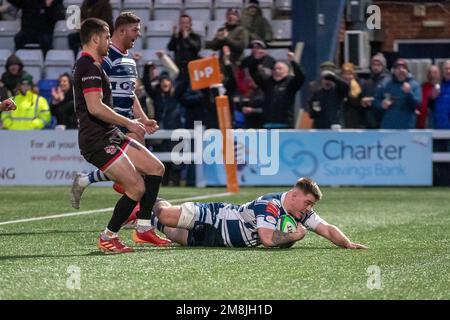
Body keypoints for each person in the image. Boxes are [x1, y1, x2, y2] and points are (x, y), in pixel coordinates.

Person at [72, 18, 166, 253]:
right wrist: (130, 123)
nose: (108, 41)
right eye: (106, 37)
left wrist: (136, 122)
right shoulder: (89, 67)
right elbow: (95, 108)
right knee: (135, 187)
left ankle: (144, 228)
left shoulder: (95, 64)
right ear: (95, 39)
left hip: (111, 134)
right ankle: (108, 236)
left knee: (156, 168)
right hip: (97, 140)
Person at [143, 178, 367, 249]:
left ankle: (140, 216)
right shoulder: (269, 205)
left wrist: (347, 243)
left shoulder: (301, 213)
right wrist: (294, 236)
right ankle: (143, 194)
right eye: (308, 203)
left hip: (215, 240)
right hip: (215, 217)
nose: (309, 209)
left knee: (168, 231)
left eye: (312, 206)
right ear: (294, 195)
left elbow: (326, 228)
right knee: (165, 215)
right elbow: (268, 240)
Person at [252, 52, 305, 129]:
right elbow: (254, 73)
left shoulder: (291, 82)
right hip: (268, 124)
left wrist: (293, 61)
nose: (276, 71)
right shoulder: (267, 82)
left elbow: (301, 75)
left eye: (280, 69)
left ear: (287, 71)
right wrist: (256, 60)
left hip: (285, 125)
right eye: (274, 69)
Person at [373, 58, 421, 129]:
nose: (401, 70)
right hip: (388, 128)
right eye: (398, 68)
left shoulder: (414, 85)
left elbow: (417, 104)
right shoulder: (385, 84)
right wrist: (381, 104)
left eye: (403, 68)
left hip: (407, 128)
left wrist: (409, 93)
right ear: (394, 71)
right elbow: (375, 100)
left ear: (407, 71)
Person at [360, 53, 391, 129]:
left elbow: (389, 99)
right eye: (374, 64)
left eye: (379, 65)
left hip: (384, 120)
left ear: (383, 66)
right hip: (369, 121)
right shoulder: (367, 82)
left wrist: (372, 100)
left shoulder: (389, 81)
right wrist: (362, 102)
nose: (376, 67)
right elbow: (361, 97)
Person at [167, 14, 202, 80]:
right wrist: (174, 37)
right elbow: (170, 48)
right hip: (179, 70)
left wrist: (187, 38)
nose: (184, 25)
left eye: (186, 23)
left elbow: (197, 48)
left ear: (190, 24)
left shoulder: (195, 37)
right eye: (182, 23)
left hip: (192, 70)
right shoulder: (177, 36)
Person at [429, 60, 450, 130]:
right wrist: (432, 98)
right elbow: (430, 107)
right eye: (446, 68)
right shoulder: (438, 86)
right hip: (440, 129)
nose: (448, 71)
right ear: (442, 71)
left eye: (449, 68)